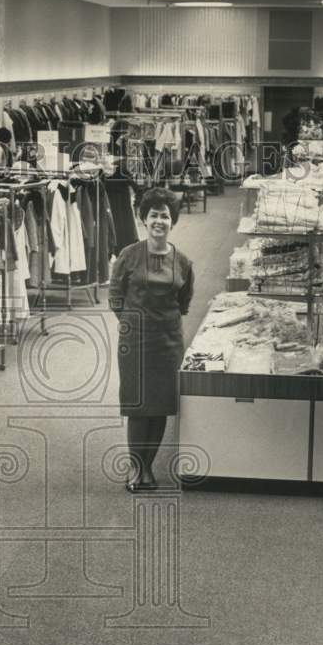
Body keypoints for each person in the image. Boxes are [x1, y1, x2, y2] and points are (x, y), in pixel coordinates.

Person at [108, 187, 194, 492]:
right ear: (144, 219)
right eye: (154, 215)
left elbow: (184, 301)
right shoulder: (129, 256)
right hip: (136, 343)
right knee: (138, 406)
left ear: (173, 222)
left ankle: (148, 469)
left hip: (168, 342)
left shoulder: (182, 261)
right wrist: (133, 324)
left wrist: (164, 324)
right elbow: (115, 297)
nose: (159, 221)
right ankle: (137, 469)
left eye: (165, 216)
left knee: (160, 406)